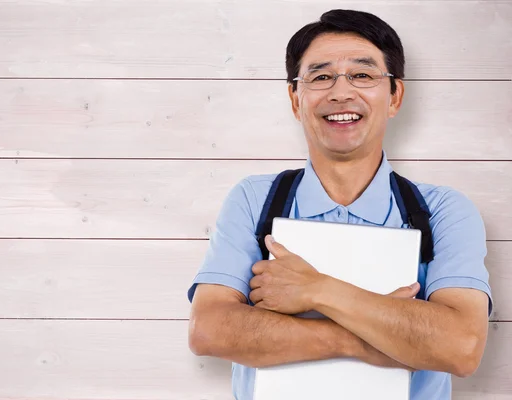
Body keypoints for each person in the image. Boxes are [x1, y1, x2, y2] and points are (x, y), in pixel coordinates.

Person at [186, 9, 493, 400]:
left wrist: (316, 291)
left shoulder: (445, 211)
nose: (341, 92)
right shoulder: (254, 199)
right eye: (320, 77)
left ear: (395, 95)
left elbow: (462, 347)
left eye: (363, 75)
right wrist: (374, 339)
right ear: (295, 99)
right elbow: (209, 330)